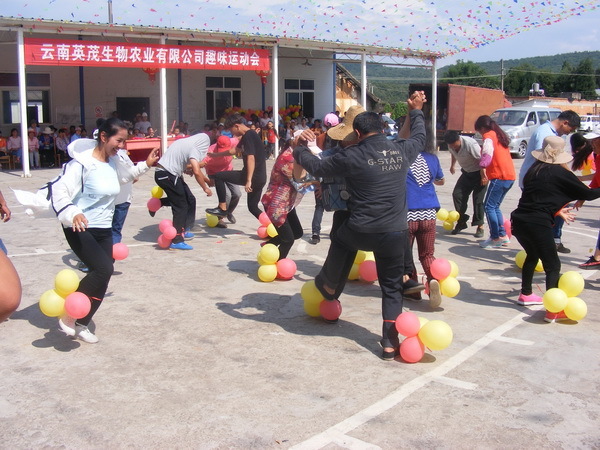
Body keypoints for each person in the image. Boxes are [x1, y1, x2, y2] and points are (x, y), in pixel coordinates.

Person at [293, 91, 427, 361]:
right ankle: (389, 343)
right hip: (393, 233)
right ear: (381, 129)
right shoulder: (401, 150)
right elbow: (420, 137)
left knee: (339, 238)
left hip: (361, 230)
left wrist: (296, 148)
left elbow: (316, 167)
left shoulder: (352, 155)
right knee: (390, 289)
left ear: (357, 132)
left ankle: (329, 285)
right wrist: (417, 111)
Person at [50, 118, 146, 343]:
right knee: (103, 269)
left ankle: (82, 323)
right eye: (119, 141)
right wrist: (73, 212)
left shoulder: (112, 162)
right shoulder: (81, 164)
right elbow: (59, 190)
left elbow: (124, 178)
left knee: (104, 276)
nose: (121, 146)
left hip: (104, 227)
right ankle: (70, 312)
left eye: (124, 141)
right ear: (103, 137)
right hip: (80, 226)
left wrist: (146, 164)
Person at [511, 136, 600, 322]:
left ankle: (526, 294)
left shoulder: (533, 171)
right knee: (553, 265)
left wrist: (557, 210)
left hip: (519, 221)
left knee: (532, 255)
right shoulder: (560, 173)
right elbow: (588, 194)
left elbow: (540, 198)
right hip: (537, 224)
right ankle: (552, 310)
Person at [518, 110, 580, 254]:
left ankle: (552, 242)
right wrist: (570, 178)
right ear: (565, 122)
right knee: (540, 216)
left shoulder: (552, 133)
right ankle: (538, 247)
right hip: (535, 182)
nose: (568, 133)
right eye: (570, 129)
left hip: (545, 182)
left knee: (557, 209)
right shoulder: (545, 133)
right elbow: (548, 159)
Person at [405, 136, 445, 309]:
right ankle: (433, 280)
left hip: (407, 215)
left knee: (405, 256)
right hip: (429, 213)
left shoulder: (402, 158)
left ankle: (413, 290)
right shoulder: (432, 158)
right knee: (427, 255)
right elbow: (441, 180)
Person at [154, 134, 213, 250]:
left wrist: (206, 180)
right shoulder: (195, 148)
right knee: (181, 206)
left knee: (190, 199)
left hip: (169, 174)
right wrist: (205, 188)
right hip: (166, 175)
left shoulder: (184, 143)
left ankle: (184, 229)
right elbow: (196, 171)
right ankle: (176, 239)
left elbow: (185, 165)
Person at [206, 113, 267, 220]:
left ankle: (222, 207)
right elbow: (234, 150)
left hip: (251, 176)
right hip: (261, 177)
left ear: (236, 126)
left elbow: (251, 158)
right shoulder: (249, 135)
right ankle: (272, 226)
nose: (231, 133)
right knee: (253, 207)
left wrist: (248, 180)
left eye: (231, 130)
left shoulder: (248, 135)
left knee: (218, 176)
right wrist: (216, 155)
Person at [260, 132, 309, 260]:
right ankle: (275, 264)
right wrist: (320, 182)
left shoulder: (295, 156)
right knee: (288, 240)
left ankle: (268, 246)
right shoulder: (288, 158)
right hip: (276, 204)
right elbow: (300, 183)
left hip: (287, 203)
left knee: (297, 232)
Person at [474, 115, 516, 248]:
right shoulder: (499, 135)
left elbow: (487, 153)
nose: (480, 134)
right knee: (495, 206)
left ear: (482, 128)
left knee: (488, 206)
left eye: (479, 131)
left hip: (499, 176)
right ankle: (503, 235)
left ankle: (495, 237)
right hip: (509, 176)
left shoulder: (488, 136)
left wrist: (483, 168)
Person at [444, 131, 486, 238]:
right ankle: (461, 222)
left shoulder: (470, 144)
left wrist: (484, 176)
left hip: (479, 173)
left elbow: (481, 160)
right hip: (467, 172)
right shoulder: (451, 146)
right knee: (457, 194)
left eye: (454, 144)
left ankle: (480, 226)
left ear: (458, 139)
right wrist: (452, 165)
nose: (453, 147)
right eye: (450, 145)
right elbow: (453, 154)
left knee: (478, 200)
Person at [200, 135, 241, 227]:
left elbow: (241, 138)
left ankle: (228, 212)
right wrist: (209, 180)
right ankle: (219, 218)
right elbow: (199, 168)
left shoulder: (232, 141)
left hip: (228, 171)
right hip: (216, 175)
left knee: (237, 194)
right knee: (227, 195)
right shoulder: (209, 154)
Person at [572, 132, 600, 269]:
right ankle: (597, 257)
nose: (592, 144)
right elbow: (597, 179)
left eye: (595, 141)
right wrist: (582, 197)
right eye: (591, 141)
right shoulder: (598, 157)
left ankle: (597, 257)